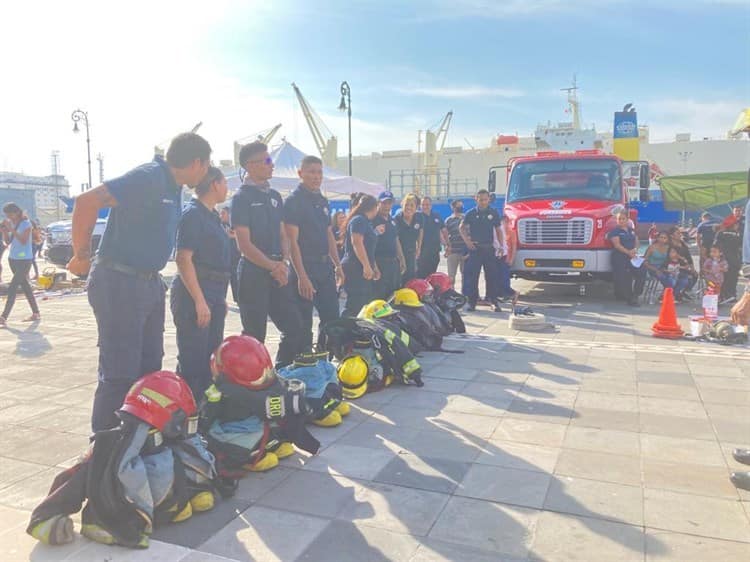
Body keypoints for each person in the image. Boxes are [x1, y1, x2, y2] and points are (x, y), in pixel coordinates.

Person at [67, 132, 211, 432]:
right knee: (120, 372)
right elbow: (86, 201)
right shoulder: (150, 176)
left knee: (149, 368)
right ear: (197, 162)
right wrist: (81, 255)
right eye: (207, 165)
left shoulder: (174, 187)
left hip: (149, 283)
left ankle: (137, 438)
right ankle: (106, 451)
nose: (207, 172)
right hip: (120, 281)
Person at [231, 141, 304, 368]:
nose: (272, 165)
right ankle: (253, 383)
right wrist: (272, 267)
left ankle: (282, 371)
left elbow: (283, 234)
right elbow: (244, 244)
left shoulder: (274, 196)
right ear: (251, 166)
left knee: (295, 328)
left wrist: (283, 263)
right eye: (268, 161)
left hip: (278, 269)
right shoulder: (241, 198)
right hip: (254, 271)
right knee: (254, 336)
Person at [171, 167, 231, 399]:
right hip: (194, 293)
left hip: (213, 293)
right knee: (193, 361)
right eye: (224, 182)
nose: (226, 188)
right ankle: (187, 414)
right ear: (215, 184)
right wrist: (200, 301)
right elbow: (183, 259)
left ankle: (204, 413)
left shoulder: (212, 215)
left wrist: (219, 300)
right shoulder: (193, 214)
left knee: (210, 359)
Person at [284, 155, 343, 350]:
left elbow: (328, 235)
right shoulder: (294, 202)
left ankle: (323, 358)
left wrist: (338, 265)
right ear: (301, 174)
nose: (316, 177)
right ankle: (303, 363)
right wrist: (302, 276)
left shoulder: (323, 201)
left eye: (319, 172)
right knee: (303, 323)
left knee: (332, 317)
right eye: (311, 172)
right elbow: (292, 241)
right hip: (304, 267)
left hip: (324, 267)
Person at [460, 189, 503, 312]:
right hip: (475, 249)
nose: (483, 202)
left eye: (485, 199)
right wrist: (467, 241)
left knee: (492, 276)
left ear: (488, 199)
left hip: (489, 248)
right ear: (476, 199)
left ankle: (493, 301)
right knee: (473, 276)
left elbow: (499, 230)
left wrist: (500, 246)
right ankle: (472, 302)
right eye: (481, 199)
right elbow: (461, 227)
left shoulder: (493, 213)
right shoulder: (471, 213)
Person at [0, 203, 40, 325]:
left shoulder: (26, 224)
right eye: (6, 215)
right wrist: (4, 231)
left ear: (16, 212)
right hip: (13, 259)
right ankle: (36, 312)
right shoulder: (10, 223)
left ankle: (3, 316)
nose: (9, 217)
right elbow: (8, 241)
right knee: (25, 286)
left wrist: (11, 229)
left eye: (10, 214)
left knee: (13, 287)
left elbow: (23, 241)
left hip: (24, 259)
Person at [341, 194, 380, 317]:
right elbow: (357, 243)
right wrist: (366, 266)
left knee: (363, 302)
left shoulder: (366, 222)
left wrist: (374, 266)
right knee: (355, 303)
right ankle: (342, 331)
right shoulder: (359, 220)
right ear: (374, 207)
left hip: (362, 266)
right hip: (355, 267)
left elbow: (369, 249)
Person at [372, 191, 406, 300]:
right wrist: (374, 265)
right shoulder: (373, 220)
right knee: (379, 295)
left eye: (389, 203)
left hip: (393, 263)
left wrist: (402, 259)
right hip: (380, 261)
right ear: (378, 203)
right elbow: (368, 244)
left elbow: (396, 240)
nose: (387, 206)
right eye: (384, 203)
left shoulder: (392, 220)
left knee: (393, 294)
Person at [607, 211, 645, 306]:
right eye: (619, 219)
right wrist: (629, 253)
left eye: (623, 219)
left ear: (627, 220)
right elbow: (617, 245)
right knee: (625, 277)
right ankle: (630, 298)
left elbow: (637, 241)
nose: (621, 221)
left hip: (632, 257)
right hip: (620, 257)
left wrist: (635, 250)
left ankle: (636, 294)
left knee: (641, 272)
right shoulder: (615, 231)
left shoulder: (631, 230)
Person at [394, 193, 423, 283]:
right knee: (400, 279)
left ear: (416, 207)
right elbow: (396, 240)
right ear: (402, 205)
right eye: (406, 205)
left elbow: (421, 231)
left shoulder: (419, 217)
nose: (409, 208)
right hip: (398, 254)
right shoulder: (396, 219)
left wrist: (419, 247)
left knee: (412, 279)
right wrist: (402, 258)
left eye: (412, 205)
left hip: (411, 253)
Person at [416, 196, 447, 279]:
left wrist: (446, 245)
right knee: (421, 275)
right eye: (423, 205)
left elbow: (441, 231)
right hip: (422, 252)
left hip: (434, 251)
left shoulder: (436, 216)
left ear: (431, 205)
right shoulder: (417, 216)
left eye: (427, 204)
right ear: (420, 205)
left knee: (432, 275)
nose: (425, 206)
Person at [715, 218, 742, 305]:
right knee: (733, 279)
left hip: (723, 260)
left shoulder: (720, 233)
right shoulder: (738, 235)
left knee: (723, 279)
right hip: (735, 261)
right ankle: (732, 295)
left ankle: (723, 296)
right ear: (733, 225)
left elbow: (715, 246)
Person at [667, 225, 698, 298]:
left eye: (680, 233)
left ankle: (684, 291)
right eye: (678, 233)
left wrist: (692, 268)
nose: (680, 235)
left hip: (685, 266)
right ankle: (675, 294)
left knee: (695, 275)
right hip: (674, 267)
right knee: (685, 278)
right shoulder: (669, 245)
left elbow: (689, 257)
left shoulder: (682, 243)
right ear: (672, 236)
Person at [494, 215, 518, 304]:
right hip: (499, 257)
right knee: (498, 278)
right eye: (502, 222)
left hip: (507, 257)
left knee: (505, 278)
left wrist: (512, 259)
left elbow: (514, 247)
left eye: (505, 222)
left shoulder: (512, 232)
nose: (503, 224)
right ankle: (502, 294)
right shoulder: (499, 232)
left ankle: (512, 293)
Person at [220, 205, 241, 304]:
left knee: (235, 278)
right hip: (224, 256)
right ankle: (221, 298)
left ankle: (237, 298)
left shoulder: (234, 225)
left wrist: (234, 235)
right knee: (223, 278)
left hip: (235, 256)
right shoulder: (219, 224)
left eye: (223, 213)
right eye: (221, 213)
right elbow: (225, 235)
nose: (221, 215)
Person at [445, 200, 467, 287]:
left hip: (465, 252)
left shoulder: (466, 218)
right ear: (453, 208)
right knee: (451, 277)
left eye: (461, 206)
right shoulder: (449, 220)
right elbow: (445, 235)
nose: (461, 208)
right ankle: (452, 293)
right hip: (453, 251)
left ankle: (465, 294)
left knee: (465, 275)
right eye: (458, 206)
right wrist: (447, 247)